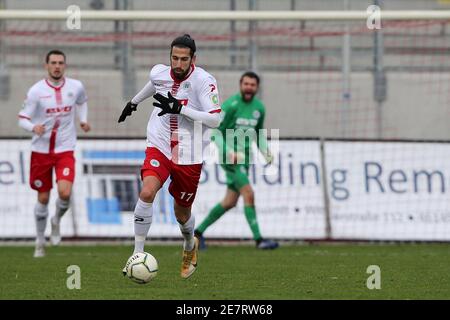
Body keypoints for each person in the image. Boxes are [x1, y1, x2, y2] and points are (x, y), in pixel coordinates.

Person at [118, 34, 221, 279]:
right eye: (174, 58)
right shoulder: (160, 72)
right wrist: (133, 102)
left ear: (193, 59)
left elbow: (215, 119)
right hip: (160, 144)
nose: (178, 64)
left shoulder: (204, 81)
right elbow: (154, 84)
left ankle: (189, 244)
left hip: (189, 152)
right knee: (146, 192)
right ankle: (136, 253)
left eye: (184, 59)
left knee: (182, 214)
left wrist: (181, 109)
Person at [194, 71, 279, 250]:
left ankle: (198, 233)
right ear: (241, 85)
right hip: (231, 159)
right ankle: (259, 240)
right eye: (246, 84)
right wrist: (228, 151)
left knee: (230, 202)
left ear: (257, 87)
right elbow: (215, 131)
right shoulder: (231, 105)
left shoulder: (259, 108)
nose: (249, 87)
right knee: (249, 193)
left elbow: (258, 133)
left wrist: (266, 153)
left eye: (252, 85)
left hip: (245, 159)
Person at [18, 50, 91, 258]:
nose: (57, 66)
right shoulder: (36, 91)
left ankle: (56, 220)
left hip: (65, 149)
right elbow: (22, 118)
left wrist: (83, 120)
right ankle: (40, 241)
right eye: (53, 63)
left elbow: (82, 101)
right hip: (40, 151)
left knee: (65, 193)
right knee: (43, 197)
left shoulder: (75, 86)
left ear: (64, 65)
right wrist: (33, 128)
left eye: (60, 63)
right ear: (46, 66)